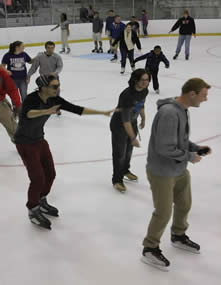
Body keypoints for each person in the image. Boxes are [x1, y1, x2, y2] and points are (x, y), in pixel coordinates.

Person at [14, 74, 115, 230]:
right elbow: (27, 113)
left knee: (50, 173)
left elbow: (77, 109)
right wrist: (47, 111)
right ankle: (33, 209)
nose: (58, 89)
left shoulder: (55, 99)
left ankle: (41, 200)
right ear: (43, 87)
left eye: (58, 85)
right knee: (38, 178)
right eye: (54, 86)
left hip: (39, 140)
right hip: (25, 142)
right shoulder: (32, 99)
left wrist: (101, 112)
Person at [141, 78, 211, 271]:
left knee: (184, 204)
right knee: (163, 212)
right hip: (162, 171)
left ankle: (178, 235)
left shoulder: (183, 110)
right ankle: (150, 248)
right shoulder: (170, 113)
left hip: (178, 169)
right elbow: (164, 147)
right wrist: (190, 156)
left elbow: (180, 140)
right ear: (192, 94)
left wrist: (196, 148)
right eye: (203, 95)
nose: (205, 100)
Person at [110, 69, 150, 192]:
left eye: (147, 80)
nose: (145, 83)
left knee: (128, 151)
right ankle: (117, 179)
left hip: (132, 122)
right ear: (135, 80)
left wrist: (143, 117)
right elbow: (125, 120)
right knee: (119, 153)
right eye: (142, 80)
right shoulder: (127, 95)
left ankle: (125, 170)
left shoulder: (144, 90)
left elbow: (141, 104)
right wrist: (133, 138)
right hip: (120, 125)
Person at [27, 41, 63, 115]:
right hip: (43, 78)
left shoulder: (57, 57)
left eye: (52, 48)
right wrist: (29, 75)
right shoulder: (40, 57)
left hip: (54, 78)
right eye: (49, 48)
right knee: (43, 94)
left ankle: (57, 109)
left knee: (56, 93)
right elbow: (34, 67)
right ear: (45, 48)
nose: (51, 49)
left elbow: (60, 67)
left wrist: (55, 73)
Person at [0, 68, 21, 142]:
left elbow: (12, 90)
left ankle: (23, 143)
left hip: (1, 103)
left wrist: (18, 105)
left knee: (11, 124)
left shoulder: (2, 73)